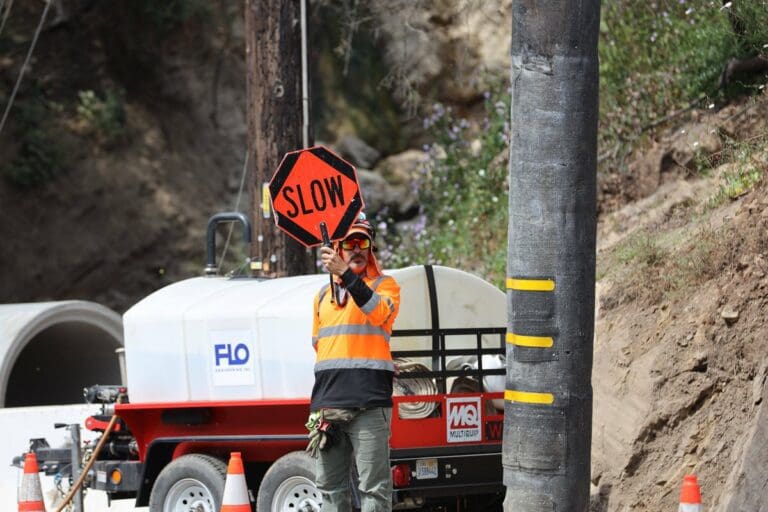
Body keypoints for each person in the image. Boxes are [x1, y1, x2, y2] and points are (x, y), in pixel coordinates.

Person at [309, 214, 401, 512]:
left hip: (370, 405)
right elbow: (320, 347)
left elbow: (379, 313)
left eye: (363, 242)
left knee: (374, 490)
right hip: (330, 405)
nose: (357, 248)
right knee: (330, 489)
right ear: (338, 248)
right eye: (350, 243)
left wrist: (346, 274)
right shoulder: (322, 295)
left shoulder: (386, 286)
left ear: (371, 247)